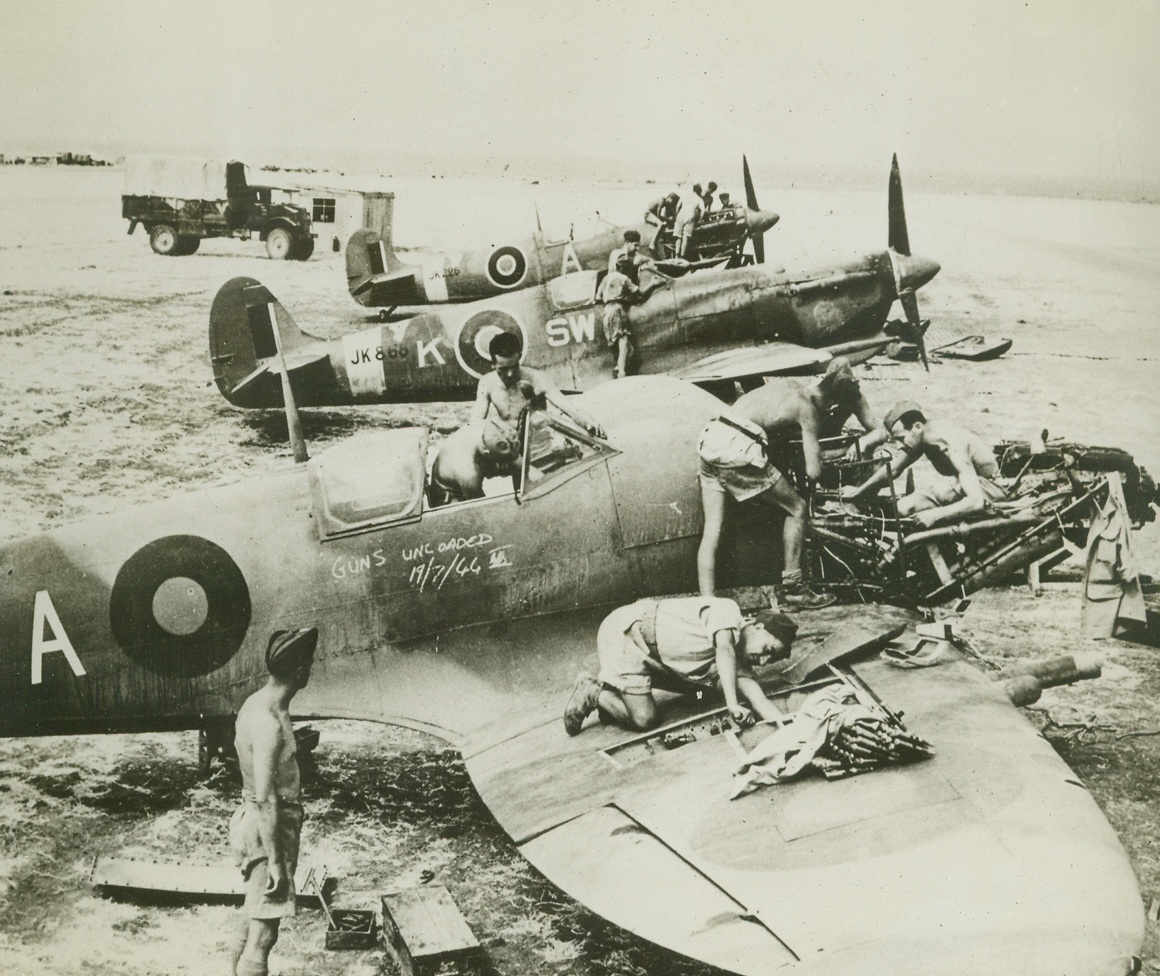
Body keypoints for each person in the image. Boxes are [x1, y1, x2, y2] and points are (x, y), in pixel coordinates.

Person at [695, 378, 840, 609]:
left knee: (712, 531)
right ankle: (794, 588)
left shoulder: (789, 384)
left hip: (712, 437)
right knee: (798, 508)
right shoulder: (808, 408)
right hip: (736, 447)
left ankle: (707, 605)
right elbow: (813, 472)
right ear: (830, 401)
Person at [564, 597, 797, 735]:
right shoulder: (728, 611)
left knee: (714, 689)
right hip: (626, 634)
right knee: (645, 720)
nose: (764, 660)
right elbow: (724, 650)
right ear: (757, 626)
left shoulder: (739, 665)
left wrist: (791, 730)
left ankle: (620, 692)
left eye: (771, 660)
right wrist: (732, 705)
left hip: (655, 659)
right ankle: (593, 692)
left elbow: (760, 701)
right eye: (768, 649)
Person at [228, 627, 318, 976]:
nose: (310, 668)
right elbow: (265, 799)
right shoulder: (268, 723)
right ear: (299, 671)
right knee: (264, 935)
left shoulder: (256, 703)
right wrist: (277, 864)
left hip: (256, 822)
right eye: (307, 663)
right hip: (268, 830)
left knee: (251, 917)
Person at [841, 401, 1007, 528]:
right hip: (964, 485)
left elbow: (976, 501)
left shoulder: (952, 445)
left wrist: (935, 515)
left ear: (917, 427)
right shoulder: (922, 437)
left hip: (988, 487)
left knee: (931, 499)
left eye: (900, 439)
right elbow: (894, 469)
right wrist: (858, 492)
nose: (899, 446)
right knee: (904, 508)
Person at [472, 331, 605, 438]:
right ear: (493, 365)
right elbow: (475, 421)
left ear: (519, 357)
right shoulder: (487, 383)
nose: (510, 374)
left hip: (538, 446)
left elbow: (570, 408)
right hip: (510, 448)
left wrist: (589, 421)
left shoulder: (538, 379)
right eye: (503, 369)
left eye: (514, 366)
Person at [429, 416, 521, 505]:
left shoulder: (484, 426)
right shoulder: (468, 472)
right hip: (448, 499)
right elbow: (481, 507)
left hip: (454, 471)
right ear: (487, 453)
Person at [597, 253, 641, 379]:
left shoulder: (605, 278)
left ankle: (617, 369)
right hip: (617, 309)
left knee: (628, 350)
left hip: (606, 311)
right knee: (624, 342)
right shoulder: (623, 278)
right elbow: (639, 292)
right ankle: (621, 373)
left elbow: (597, 297)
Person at [674, 184, 704, 258]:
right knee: (685, 237)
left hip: (681, 214)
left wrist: (676, 214)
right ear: (699, 191)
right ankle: (682, 256)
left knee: (678, 236)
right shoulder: (699, 199)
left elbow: (677, 206)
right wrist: (700, 219)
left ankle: (676, 255)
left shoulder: (684, 195)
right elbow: (703, 210)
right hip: (690, 216)